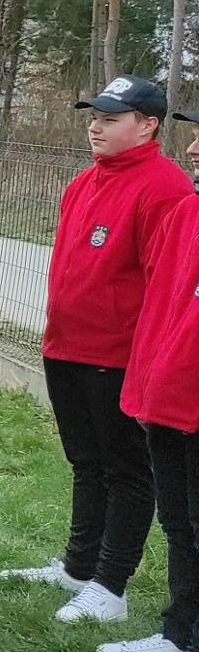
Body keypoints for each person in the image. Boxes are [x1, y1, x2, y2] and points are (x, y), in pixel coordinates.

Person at [1, 76, 188, 623]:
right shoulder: (84, 182)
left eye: (110, 117)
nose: (95, 125)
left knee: (126, 470)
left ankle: (111, 586)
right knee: (85, 463)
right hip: (66, 347)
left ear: (147, 125)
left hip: (119, 356)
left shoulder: (164, 188)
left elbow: (165, 282)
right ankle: (79, 566)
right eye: (94, 115)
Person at [101, 109, 199, 652]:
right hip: (168, 400)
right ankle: (179, 633)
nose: (191, 151)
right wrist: (149, 384)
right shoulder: (188, 213)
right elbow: (163, 304)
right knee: (180, 524)